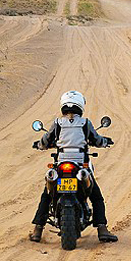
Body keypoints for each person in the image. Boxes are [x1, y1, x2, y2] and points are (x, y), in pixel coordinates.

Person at [29, 90, 119, 243]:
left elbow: (45, 140)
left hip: (61, 165)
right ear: (80, 106)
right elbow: (97, 140)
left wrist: (39, 145)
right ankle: (102, 230)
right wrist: (105, 141)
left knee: (47, 195)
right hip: (80, 165)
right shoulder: (85, 123)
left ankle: (37, 230)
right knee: (96, 197)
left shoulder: (57, 123)